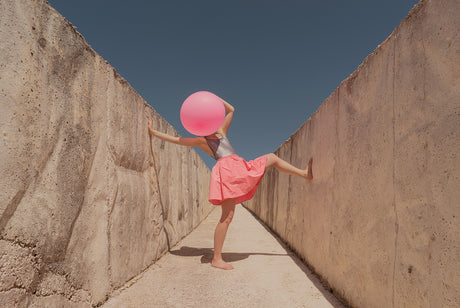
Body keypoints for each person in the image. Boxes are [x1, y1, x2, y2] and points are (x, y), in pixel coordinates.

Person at [148, 97, 313, 270]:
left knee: (271, 158)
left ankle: (303, 173)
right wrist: (154, 132)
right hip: (226, 173)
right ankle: (216, 258)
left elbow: (231, 109)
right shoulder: (202, 140)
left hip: (239, 167)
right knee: (227, 216)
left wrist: (213, 98)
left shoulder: (221, 131)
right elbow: (178, 140)